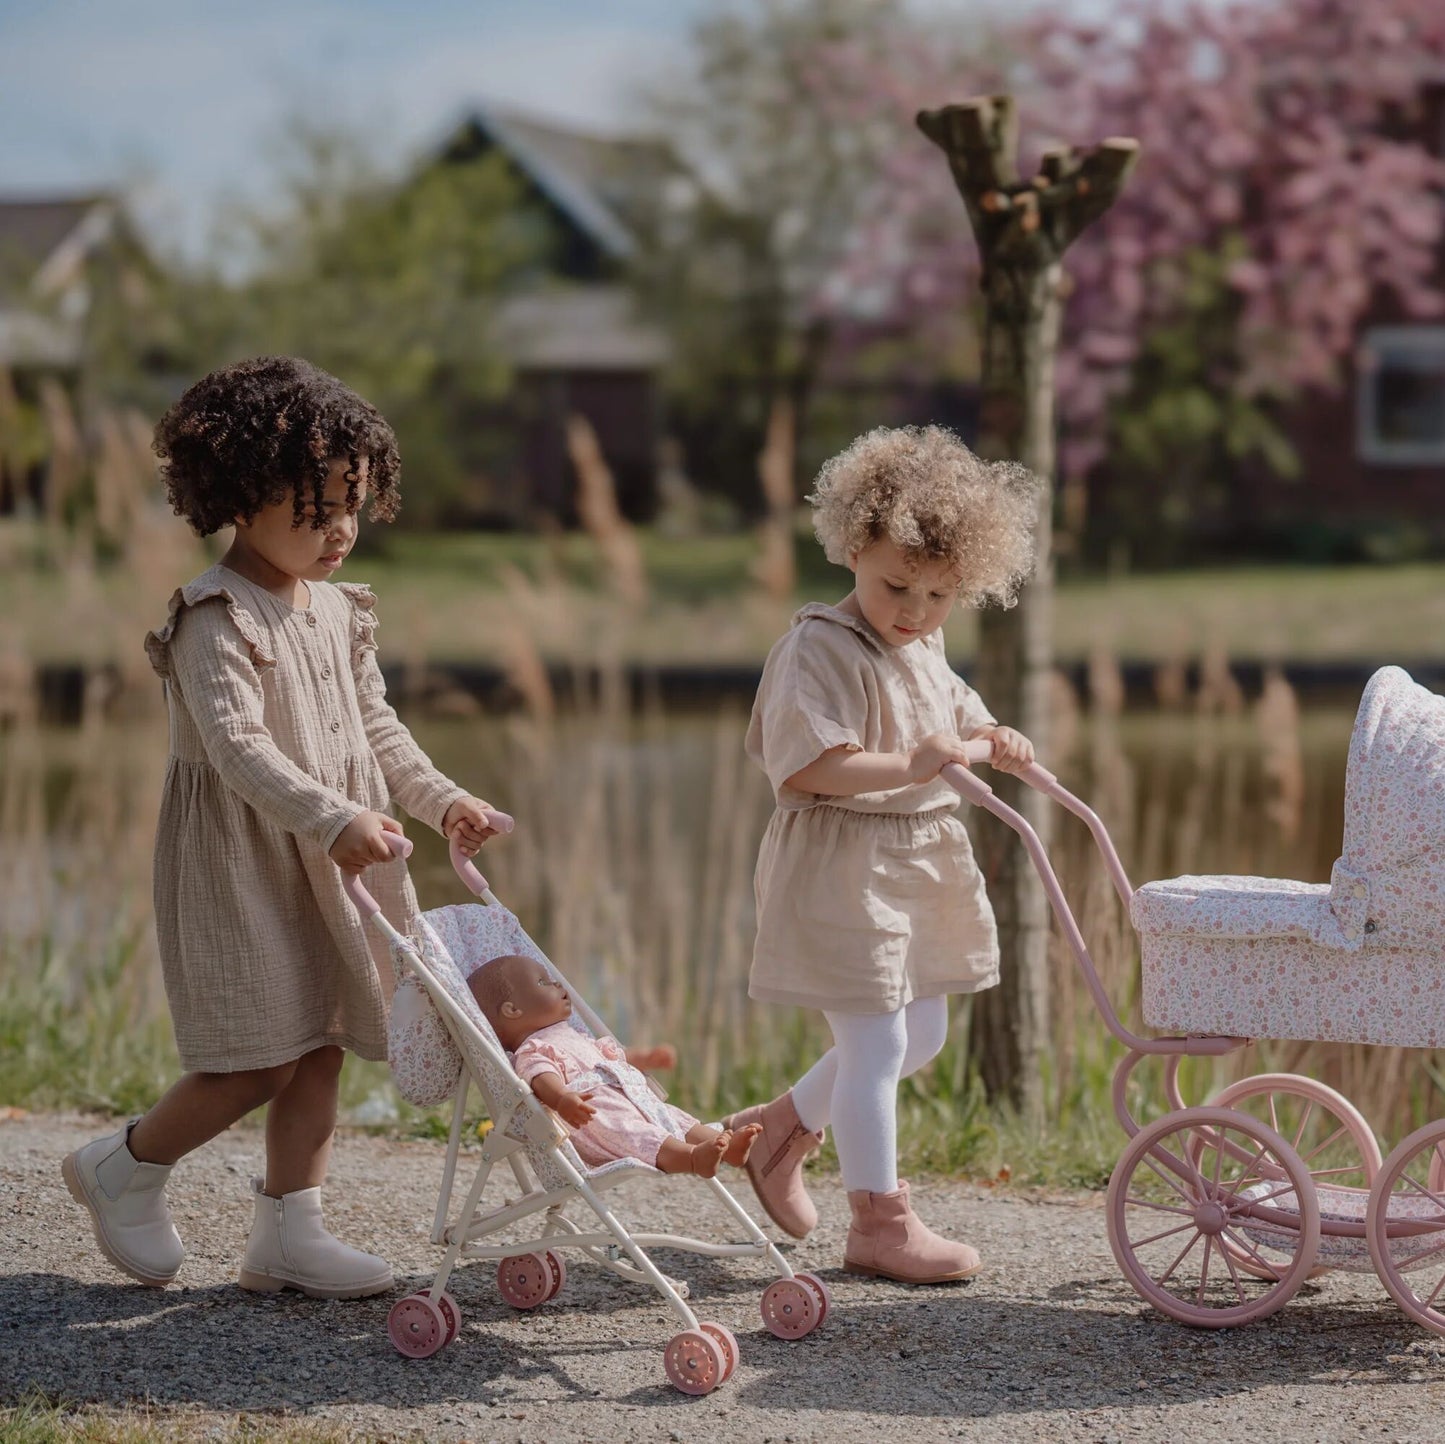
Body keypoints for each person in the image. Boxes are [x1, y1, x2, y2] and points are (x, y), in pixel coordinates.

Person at [62, 357, 501, 1299]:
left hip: (336, 855)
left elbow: (378, 728)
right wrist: (331, 814)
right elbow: (236, 748)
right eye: (313, 508)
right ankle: (125, 1166)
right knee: (255, 1052)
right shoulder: (214, 617)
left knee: (324, 1037)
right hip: (244, 857)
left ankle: (288, 1232)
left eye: (353, 503)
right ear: (239, 497)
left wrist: (442, 800)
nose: (339, 529)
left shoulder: (341, 611)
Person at [724, 424, 1041, 1284]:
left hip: (916, 855)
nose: (914, 611)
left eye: (939, 596)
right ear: (853, 548)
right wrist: (911, 763)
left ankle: (778, 1133)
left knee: (922, 1033)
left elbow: (954, 711)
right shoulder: (816, 650)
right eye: (897, 585)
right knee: (873, 1044)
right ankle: (879, 1222)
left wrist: (990, 735)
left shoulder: (924, 643)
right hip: (842, 863)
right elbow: (812, 765)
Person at [469, 955, 762, 1178]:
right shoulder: (532, 1049)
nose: (557, 983)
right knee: (639, 1134)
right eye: (543, 982)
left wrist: (646, 1058)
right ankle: (693, 1159)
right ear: (512, 1010)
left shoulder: (572, 1035)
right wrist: (561, 1098)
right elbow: (540, 1076)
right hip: (597, 1118)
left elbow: (612, 1057)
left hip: (630, 1099)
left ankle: (730, 1149)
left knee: (680, 1120)